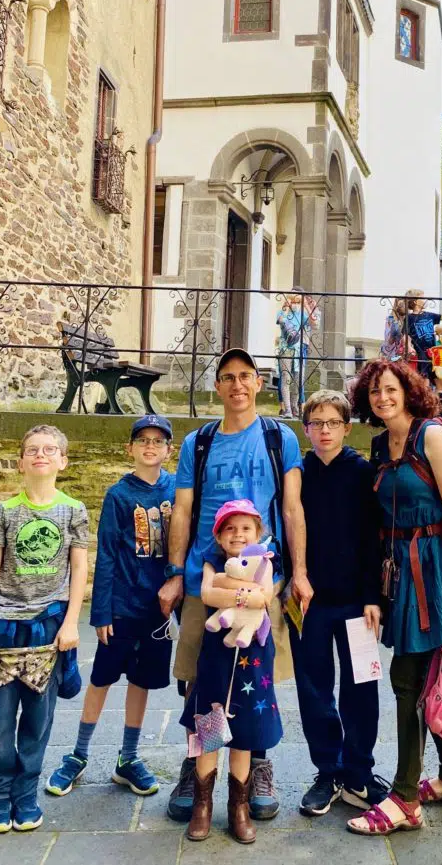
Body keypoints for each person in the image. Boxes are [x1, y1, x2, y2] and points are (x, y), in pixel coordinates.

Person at [159, 348, 311, 824]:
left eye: (245, 376)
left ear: (258, 382)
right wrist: (174, 571)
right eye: (228, 377)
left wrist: (299, 571)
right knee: (197, 679)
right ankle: (197, 765)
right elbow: (182, 511)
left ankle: (257, 763)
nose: (237, 385)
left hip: (263, 577)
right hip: (205, 577)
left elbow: (290, 508)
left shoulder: (278, 437)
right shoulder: (198, 443)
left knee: (258, 680)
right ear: (218, 386)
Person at [345, 361, 442, 837]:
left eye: (391, 389)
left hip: (435, 567)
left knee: (407, 678)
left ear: (409, 391)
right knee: (429, 671)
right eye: (375, 391)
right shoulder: (381, 445)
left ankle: (404, 798)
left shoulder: (431, 435)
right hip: (398, 570)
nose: (383, 397)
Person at [0, 425, 88, 834]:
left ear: (62, 461)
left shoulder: (74, 510)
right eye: (32, 450)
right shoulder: (4, 511)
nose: (41, 455)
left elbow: (79, 569)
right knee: (0, 722)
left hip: (48, 629)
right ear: (21, 461)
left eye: (49, 450)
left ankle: (25, 795)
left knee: (38, 721)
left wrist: (72, 621)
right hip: (3, 627)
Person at [46, 415, 175, 799]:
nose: (150, 447)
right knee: (102, 679)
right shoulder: (119, 495)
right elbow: (106, 556)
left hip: (160, 609)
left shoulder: (177, 489)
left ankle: (129, 758)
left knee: (142, 681)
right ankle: (78, 754)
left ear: (169, 449)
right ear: (130, 448)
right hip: (121, 605)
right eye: (143, 440)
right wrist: (101, 611)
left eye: (158, 441)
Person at [292, 389, 384, 818]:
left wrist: (372, 598)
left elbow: (373, 539)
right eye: (316, 423)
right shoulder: (298, 473)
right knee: (314, 688)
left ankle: (358, 772)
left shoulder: (363, 472)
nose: (324, 431)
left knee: (362, 686)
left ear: (347, 428)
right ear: (306, 429)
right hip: (309, 601)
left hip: (356, 602)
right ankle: (327, 770)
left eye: (332, 423)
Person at [180, 500, 282, 845]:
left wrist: (236, 595)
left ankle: (239, 805)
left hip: (252, 659)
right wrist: (244, 593)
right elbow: (207, 591)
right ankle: (202, 804)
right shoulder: (212, 560)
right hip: (217, 658)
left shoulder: (265, 561)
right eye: (230, 529)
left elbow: (264, 596)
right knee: (211, 726)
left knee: (245, 732)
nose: (238, 534)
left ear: (258, 533)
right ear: (220, 537)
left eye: (246, 528)